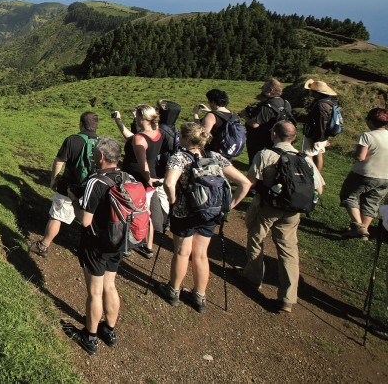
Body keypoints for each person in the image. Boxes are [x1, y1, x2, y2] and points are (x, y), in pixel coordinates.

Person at [159, 122, 251, 312]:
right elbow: (245, 183)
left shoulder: (179, 158)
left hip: (184, 212)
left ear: (184, 139)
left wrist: (173, 200)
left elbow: (169, 183)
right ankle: (199, 296)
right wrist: (228, 206)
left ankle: (173, 291)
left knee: (182, 252)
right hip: (210, 212)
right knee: (201, 254)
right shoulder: (215, 156)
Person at [243, 120, 324, 313]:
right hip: (293, 210)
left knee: (256, 238)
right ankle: (288, 297)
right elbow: (320, 187)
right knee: (288, 249)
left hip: (268, 206)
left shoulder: (266, 154)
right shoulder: (305, 158)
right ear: (294, 138)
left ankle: (253, 277)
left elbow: (251, 182)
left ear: (273, 134)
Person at [67, 137, 130, 355]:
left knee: (94, 291)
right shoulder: (127, 177)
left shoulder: (96, 181)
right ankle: (109, 330)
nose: (92, 155)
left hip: (96, 243)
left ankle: (90, 336)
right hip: (119, 241)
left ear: (101, 157)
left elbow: (85, 220)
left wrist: (74, 201)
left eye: (94, 153)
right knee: (110, 286)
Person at [33, 112, 99, 256]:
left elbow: (59, 161)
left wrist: (54, 180)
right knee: (88, 220)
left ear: (81, 124)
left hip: (69, 187)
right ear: (96, 125)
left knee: (56, 217)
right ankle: (85, 249)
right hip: (92, 188)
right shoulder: (102, 143)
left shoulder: (72, 140)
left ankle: (43, 245)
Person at [112, 104, 160, 259]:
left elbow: (142, 163)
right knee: (146, 211)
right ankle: (148, 245)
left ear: (142, 117)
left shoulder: (140, 138)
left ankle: (127, 243)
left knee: (130, 211)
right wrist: (119, 122)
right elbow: (131, 138)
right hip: (149, 179)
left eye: (137, 116)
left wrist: (148, 180)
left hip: (137, 179)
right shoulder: (156, 133)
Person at [340, 108, 388, 241]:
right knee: (372, 202)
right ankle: (363, 232)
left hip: (365, 173)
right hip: (385, 177)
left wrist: (354, 153)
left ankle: (358, 227)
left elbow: (361, 157)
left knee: (349, 195)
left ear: (370, 121)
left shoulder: (367, 136)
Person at [240, 78, 295, 163]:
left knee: (258, 163)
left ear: (270, 90)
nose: (261, 90)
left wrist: (245, 116)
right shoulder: (285, 103)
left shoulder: (267, 107)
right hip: (278, 139)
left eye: (263, 88)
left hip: (261, 141)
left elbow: (255, 124)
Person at [301, 79, 339, 172]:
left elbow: (321, 122)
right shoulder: (328, 102)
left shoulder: (320, 104)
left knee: (308, 154)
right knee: (319, 153)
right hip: (322, 134)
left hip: (315, 134)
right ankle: (318, 174)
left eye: (312, 90)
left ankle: (310, 174)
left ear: (317, 92)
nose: (310, 92)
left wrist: (318, 139)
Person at [195, 89, 235, 157]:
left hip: (213, 152)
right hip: (227, 149)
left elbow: (202, 132)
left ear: (213, 102)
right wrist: (209, 110)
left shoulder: (211, 116)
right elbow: (220, 119)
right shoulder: (233, 115)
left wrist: (195, 113)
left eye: (209, 101)